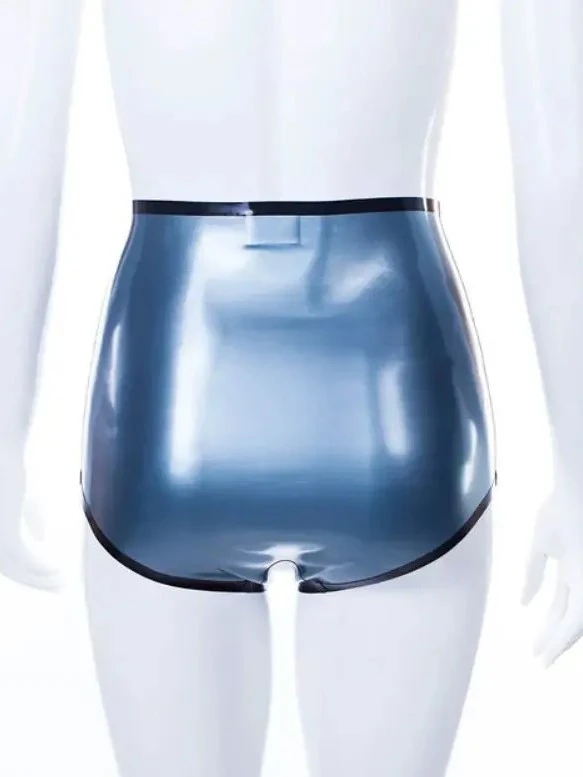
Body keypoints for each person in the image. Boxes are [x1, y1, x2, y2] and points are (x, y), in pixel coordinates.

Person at [0, 3, 581, 776]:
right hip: (388, 387)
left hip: (171, 384)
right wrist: (577, 461)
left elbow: (16, 146)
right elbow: (560, 161)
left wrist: (5, 433)